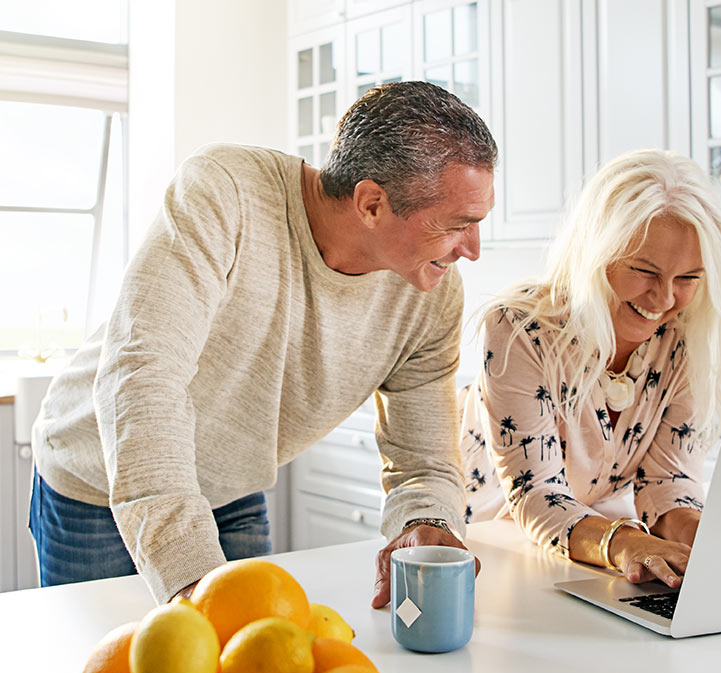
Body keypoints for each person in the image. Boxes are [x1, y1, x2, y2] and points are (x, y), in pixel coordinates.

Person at [30, 81, 496, 607]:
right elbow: (143, 374)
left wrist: (427, 519)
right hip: (101, 482)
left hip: (231, 488)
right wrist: (191, 576)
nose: (474, 250)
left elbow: (423, 455)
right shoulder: (225, 192)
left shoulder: (429, 293)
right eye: (460, 225)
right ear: (371, 203)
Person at [459, 149, 721, 586]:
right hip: (488, 543)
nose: (663, 300)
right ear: (594, 255)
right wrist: (626, 544)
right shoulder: (521, 328)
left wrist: (711, 544)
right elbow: (537, 494)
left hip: (585, 544)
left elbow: (668, 481)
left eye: (688, 279)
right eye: (645, 271)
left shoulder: (686, 339)